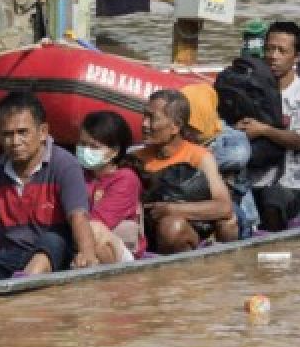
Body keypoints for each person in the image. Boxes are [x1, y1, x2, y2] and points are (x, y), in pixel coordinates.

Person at [0, 92, 99, 280]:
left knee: (52, 241)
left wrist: (87, 254)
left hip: (56, 252)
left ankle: (27, 282)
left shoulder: (64, 165)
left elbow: (78, 216)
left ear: (43, 132)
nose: (15, 142)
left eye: (22, 132)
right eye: (7, 134)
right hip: (12, 254)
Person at [235, 21, 300, 232]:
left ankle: (271, 246)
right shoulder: (248, 88)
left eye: (282, 51)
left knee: (272, 199)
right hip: (249, 180)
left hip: (289, 185)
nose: (273, 56)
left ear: (297, 57)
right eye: (269, 49)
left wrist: (263, 130)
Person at [134, 89, 237, 254]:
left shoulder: (199, 157)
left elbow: (224, 207)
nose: (144, 124)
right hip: (147, 233)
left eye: (152, 118)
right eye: (144, 116)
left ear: (176, 126)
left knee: (173, 226)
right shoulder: (137, 158)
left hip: (186, 231)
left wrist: (173, 210)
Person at [180, 82, 257, 237]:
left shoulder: (230, 136)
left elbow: (238, 156)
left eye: (191, 125)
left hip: (235, 207)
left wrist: (199, 158)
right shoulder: (179, 138)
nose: (186, 131)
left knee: (226, 218)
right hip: (193, 204)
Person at [75, 110, 144, 262]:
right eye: (82, 144)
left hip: (120, 248)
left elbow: (99, 221)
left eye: (93, 146)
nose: (85, 150)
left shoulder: (126, 179)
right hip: (79, 239)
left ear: (114, 151)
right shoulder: (78, 173)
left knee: (93, 232)